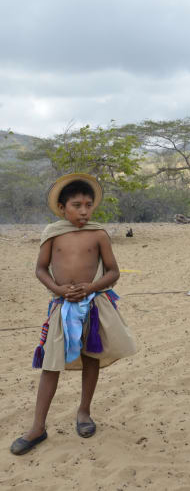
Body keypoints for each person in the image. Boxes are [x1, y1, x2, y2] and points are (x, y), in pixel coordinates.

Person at [10, 174, 137, 455]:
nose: (84, 211)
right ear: (62, 207)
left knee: (91, 357)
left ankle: (83, 412)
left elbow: (113, 271)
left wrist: (90, 287)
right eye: (77, 205)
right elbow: (41, 268)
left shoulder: (99, 234)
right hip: (62, 306)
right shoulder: (53, 234)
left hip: (94, 305)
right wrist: (58, 289)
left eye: (88, 205)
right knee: (51, 363)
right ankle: (38, 427)